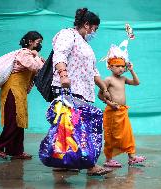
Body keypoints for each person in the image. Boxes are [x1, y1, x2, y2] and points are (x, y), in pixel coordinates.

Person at [50, 7, 112, 176]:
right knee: (80, 129)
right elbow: (59, 54)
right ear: (86, 24)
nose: (95, 32)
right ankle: (90, 165)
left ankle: (64, 163)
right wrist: (63, 75)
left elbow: (93, 71)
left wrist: (104, 88)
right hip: (68, 90)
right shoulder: (68, 35)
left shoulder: (84, 43)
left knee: (68, 129)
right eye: (95, 29)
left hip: (81, 92)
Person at [0, 31, 45, 160]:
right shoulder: (24, 53)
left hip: (20, 91)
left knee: (19, 120)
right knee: (13, 120)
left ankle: (16, 151)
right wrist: (37, 56)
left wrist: (37, 57)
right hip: (12, 90)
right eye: (38, 43)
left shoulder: (31, 55)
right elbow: (36, 67)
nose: (39, 45)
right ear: (30, 42)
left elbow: (43, 66)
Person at [98, 44, 146, 167]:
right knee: (112, 136)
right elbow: (100, 95)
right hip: (112, 112)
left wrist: (131, 70)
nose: (120, 68)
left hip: (122, 111)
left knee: (127, 134)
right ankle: (108, 160)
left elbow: (137, 82)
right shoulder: (108, 80)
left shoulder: (123, 78)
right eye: (117, 66)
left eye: (122, 66)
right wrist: (109, 103)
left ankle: (132, 157)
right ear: (110, 66)